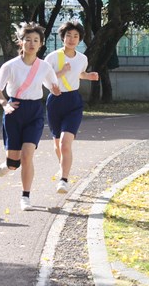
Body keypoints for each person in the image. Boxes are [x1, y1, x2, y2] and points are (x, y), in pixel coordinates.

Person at [0, 22, 60, 211]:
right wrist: (5, 104)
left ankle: (26, 197)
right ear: (21, 43)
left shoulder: (45, 67)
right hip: (14, 110)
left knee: (28, 155)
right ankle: (9, 165)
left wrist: (55, 91)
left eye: (35, 40)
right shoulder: (10, 66)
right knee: (14, 162)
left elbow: (52, 86)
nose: (31, 43)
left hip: (35, 112)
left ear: (41, 44)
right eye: (28, 40)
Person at [45, 21, 98, 194]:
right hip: (55, 100)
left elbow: (79, 73)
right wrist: (60, 72)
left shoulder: (82, 58)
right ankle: (63, 168)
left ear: (80, 39)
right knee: (57, 144)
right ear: (63, 37)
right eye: (68, 35)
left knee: (66, 143)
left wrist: (88, 76)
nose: (72, 39)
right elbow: (45, 79)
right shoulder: (52, 57)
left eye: (76, 36)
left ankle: (64, 179)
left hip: (73, 101)